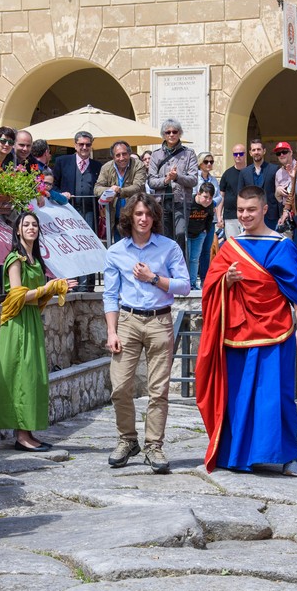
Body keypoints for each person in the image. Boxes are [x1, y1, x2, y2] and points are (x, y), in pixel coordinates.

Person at [196, 185, 297, 476]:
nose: (245, 215)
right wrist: (226, 281)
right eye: (240, 210)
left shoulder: (282, 245)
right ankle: (237, 455)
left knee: (278, 397)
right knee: (238, 395)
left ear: (265, 209)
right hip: (238, 332)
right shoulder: (230, 246)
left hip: (277, 331)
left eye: (251, 210)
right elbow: (210, 287)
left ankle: (289, 456)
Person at [103, 193, 190, 474]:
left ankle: (154, 445)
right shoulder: (116, 251)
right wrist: (112, 331)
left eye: (148, 214)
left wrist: (153, 278)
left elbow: (184, 285)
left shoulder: (169, 247)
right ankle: (127, 440)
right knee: (119, 387)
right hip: (127, 320)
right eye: (138, 214)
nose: (143, 219)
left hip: (159, 321)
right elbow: (109, 295)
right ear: (130, 217)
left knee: (158, 390)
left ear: (155, 217)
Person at [0, 212, 76, 451]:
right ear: (17, 230)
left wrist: (55, 288)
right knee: (22, 374)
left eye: (35, 225)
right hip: (18, 323)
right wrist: (47, 288)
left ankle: (28, 432)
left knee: (33, 376)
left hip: (31, 320)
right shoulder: (15, 259)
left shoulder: (35, 259)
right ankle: (21, 436)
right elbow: (17, 296)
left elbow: (38, 295)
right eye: (26, 225)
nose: (31, 228)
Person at [53, 131, 102, 292]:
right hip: (68, 212)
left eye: (88, 144)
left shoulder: (97, 166)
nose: (84, 147)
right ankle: (71, 284)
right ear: (75, 145)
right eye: (81, 144)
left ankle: (88, 285)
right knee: (70, 247)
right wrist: (61, 195)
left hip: (90, 212)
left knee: (89, 247)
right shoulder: (62, 162)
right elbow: (52, 185)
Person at [147, 119, 199, 249]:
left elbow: (193, 179)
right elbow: (151, 181)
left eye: (174, 132)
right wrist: (166, 180)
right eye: (168, 132)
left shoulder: (189, 153)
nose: (171, 134)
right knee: (164, 236)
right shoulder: (156, 155)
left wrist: (177, 178)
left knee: (180, 233)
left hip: (181, 201)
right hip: (161, 202)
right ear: (163, 135)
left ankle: (179, 260)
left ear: (179, 133)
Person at [94, 140, 147, 242]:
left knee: (137, 243)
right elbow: (97, 188)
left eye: (124, 154)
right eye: (118, 155)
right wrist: (110, 190)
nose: (121, 158)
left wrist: (119, 191)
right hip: (114, 215)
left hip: (134, 214)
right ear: (113, 157)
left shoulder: (138, 165)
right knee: (120, 244)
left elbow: (138, 187)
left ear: (129, 154)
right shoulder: (106, 167)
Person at [239, 138, 281, 230]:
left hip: (271, 216)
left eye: (259, 149)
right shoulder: (244, 172)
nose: (256, 152)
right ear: (250, 153)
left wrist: (281, 215)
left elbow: (278, 194)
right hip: (250, 216)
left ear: (264, 151)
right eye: (254, 150)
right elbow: (240, 195)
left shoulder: (274, 169)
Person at [195, 151, 220, 278]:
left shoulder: (213, 179)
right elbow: (194, 196)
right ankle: (194, 276)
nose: (209, 164)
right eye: (206, 161)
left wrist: (212, 203)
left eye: (211, 162)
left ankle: (204, 277)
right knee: (196, 250)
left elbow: (219, 196)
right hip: (197, 217)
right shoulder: (195, 178)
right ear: (200, 163)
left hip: (211, 218)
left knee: (206, 249)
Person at [186, 182, 215, 290]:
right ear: (198, 194)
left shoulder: (211, 205)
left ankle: (192, 283)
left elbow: (210, 218)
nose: (207, 201)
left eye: (210, 198)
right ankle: (185, 282)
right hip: (187, 233)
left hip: (199, 234)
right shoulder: (190, 202)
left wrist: (205, 230)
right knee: (186, 257)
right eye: (205, 197)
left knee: (194, 259)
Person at [218, 143, 247, 238]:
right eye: (235, 154)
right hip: (230, 216)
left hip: (247, 216)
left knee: (247, 244)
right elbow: (221, 196)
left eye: (241, 154)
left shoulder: (250, 172)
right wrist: (219, 216)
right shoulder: (227, 173)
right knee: (233, 244)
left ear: (245, 154)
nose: (238, 156)